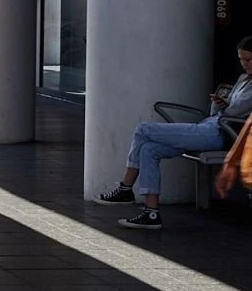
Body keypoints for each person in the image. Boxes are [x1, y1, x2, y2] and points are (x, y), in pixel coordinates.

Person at [97, 37, 252, 230]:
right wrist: (218, 103)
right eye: (241, 59)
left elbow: (234, 112)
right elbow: (218, 112)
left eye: (248, 59)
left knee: (143, 129)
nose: (244, 64)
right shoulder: (242, 80)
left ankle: (125, 188)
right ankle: (151, 213)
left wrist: (224, 106)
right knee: (148, 149)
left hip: (220, 133)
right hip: (210, 125)